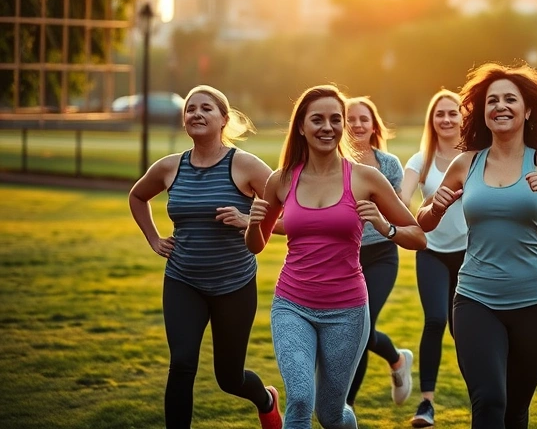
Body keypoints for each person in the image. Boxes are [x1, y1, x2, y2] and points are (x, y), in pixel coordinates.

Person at [417, 63, 537, 429]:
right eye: (492, 101)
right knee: (489, 402)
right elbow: (423, 226)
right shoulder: (466, 163)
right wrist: (434, 206)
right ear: (482, 112)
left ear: (528, 109)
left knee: (515, 411)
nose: (500, 106)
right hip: (475, 300)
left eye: (509, 99)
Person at [244, 85, 426, 429]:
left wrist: (386, 228)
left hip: (347, 311)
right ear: (301, 126)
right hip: (292, 305)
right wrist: (253, 225)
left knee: (331, 413)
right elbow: (257, 244)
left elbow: (418, 236)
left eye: (334, 119)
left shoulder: (365, 177)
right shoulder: (280, 180)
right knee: (299, 399)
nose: (327, 127)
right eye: (317, 119)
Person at [128, 85, 283, 429]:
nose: (196, 113)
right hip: (183, 280)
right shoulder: (170, 167)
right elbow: (137, 197)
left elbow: (290, 216)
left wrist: (248, 221)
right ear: (184, 120)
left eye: (206, 108)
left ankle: (266, 400)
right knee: (182, 364)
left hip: (234, 285)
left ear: (224, 119)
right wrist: (153, 239)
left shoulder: (246, 165)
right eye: (190, 109)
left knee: (229, 377)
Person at [399, 89, 469, 428]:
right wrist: (406, 215)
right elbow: (402, 198)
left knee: (465, 329)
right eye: (439, 114)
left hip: (471, 253)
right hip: (431, 251)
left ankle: (485, 394)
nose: (446, 119)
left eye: (452, 113)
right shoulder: (420, 160)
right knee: (435, 321)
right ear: (432, 120)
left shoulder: (474, 157)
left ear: (462, 117)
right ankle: (426, 403)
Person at [343, 96, 416, 409]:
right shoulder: (335, 163)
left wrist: (381, 219)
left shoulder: (388, 165)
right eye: (351, 118)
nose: (357, 124)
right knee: (349, 330)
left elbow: (404, 214)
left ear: (373, 125)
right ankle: (397, 359)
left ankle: (346, 408)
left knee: (360, 329)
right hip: (344, 256)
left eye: (364, 118)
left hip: (382, 253)